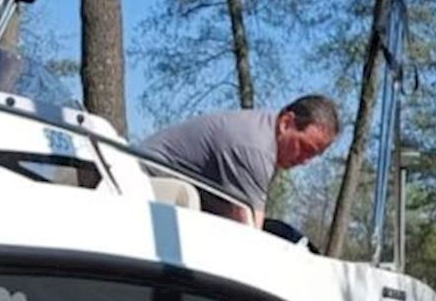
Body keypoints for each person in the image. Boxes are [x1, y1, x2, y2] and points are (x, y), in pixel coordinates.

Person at [138, 95, 339, 228]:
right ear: (286, 123)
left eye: (313, 155)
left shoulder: (262, 131)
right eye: (305, 148)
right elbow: (249, 237)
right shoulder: (254, 148)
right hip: (140, 190)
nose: (305, 160)